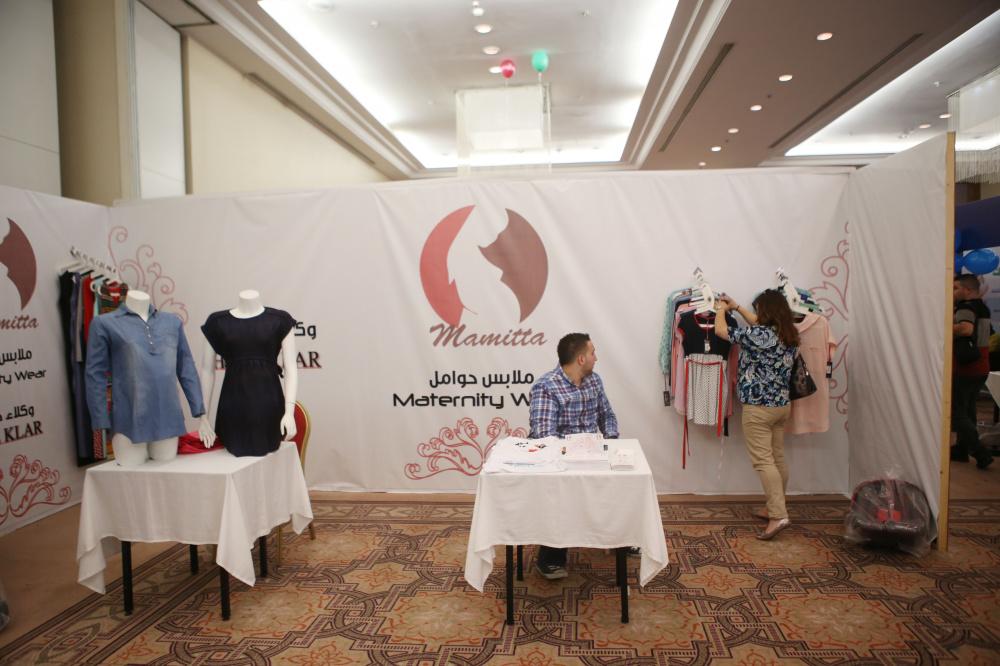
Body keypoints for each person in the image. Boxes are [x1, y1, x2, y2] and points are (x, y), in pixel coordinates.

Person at [528, 332, 619, 579]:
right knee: (561, 491)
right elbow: (545, 436)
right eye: (593, 353)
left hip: (591, 454)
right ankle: (550, 558)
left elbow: (607, 416)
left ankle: (622, 538)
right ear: (581, 359)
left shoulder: (594, 381)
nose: (596, 358)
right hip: (559, 459)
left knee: (625, 480)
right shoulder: (546, 386)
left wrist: (610, 442)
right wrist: (578, 452)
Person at [715, 290, 798, 540]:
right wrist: (737, 307)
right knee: (777, 457)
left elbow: (721, 331)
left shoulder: (759, 335)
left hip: (759, 408)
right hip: (781, 406)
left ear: (766, 312)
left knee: (763, 461)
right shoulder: (789, 334)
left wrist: (720, 310)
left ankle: (778, 515)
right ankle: (775, 507)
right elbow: (758, 324)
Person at [951, 274, 993, 469]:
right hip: (981, 365)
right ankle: (961, 449)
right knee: (968, 410)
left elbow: (966, 330)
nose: (953, 292)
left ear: (967, 290)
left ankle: (979, 452)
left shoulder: (966, 308)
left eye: (956, 288)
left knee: (957, 413)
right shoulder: (982, 307)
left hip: (966, 367)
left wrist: (943, 326)